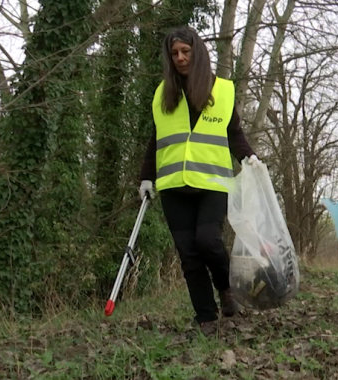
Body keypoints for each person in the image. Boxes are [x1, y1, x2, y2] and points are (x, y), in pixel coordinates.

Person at [138, 26, 259, 336]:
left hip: (212, 182)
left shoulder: (222, 91)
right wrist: (146, 178)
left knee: (208, 241)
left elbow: (233, 134)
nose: (180, 58)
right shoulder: (163, 94)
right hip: (173, 185)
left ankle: (226, 289)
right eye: (174, 53)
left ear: (198, 53)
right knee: (188, 253)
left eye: (185, 52)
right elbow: (156, 139)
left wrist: (249, 158)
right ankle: (206, 317)